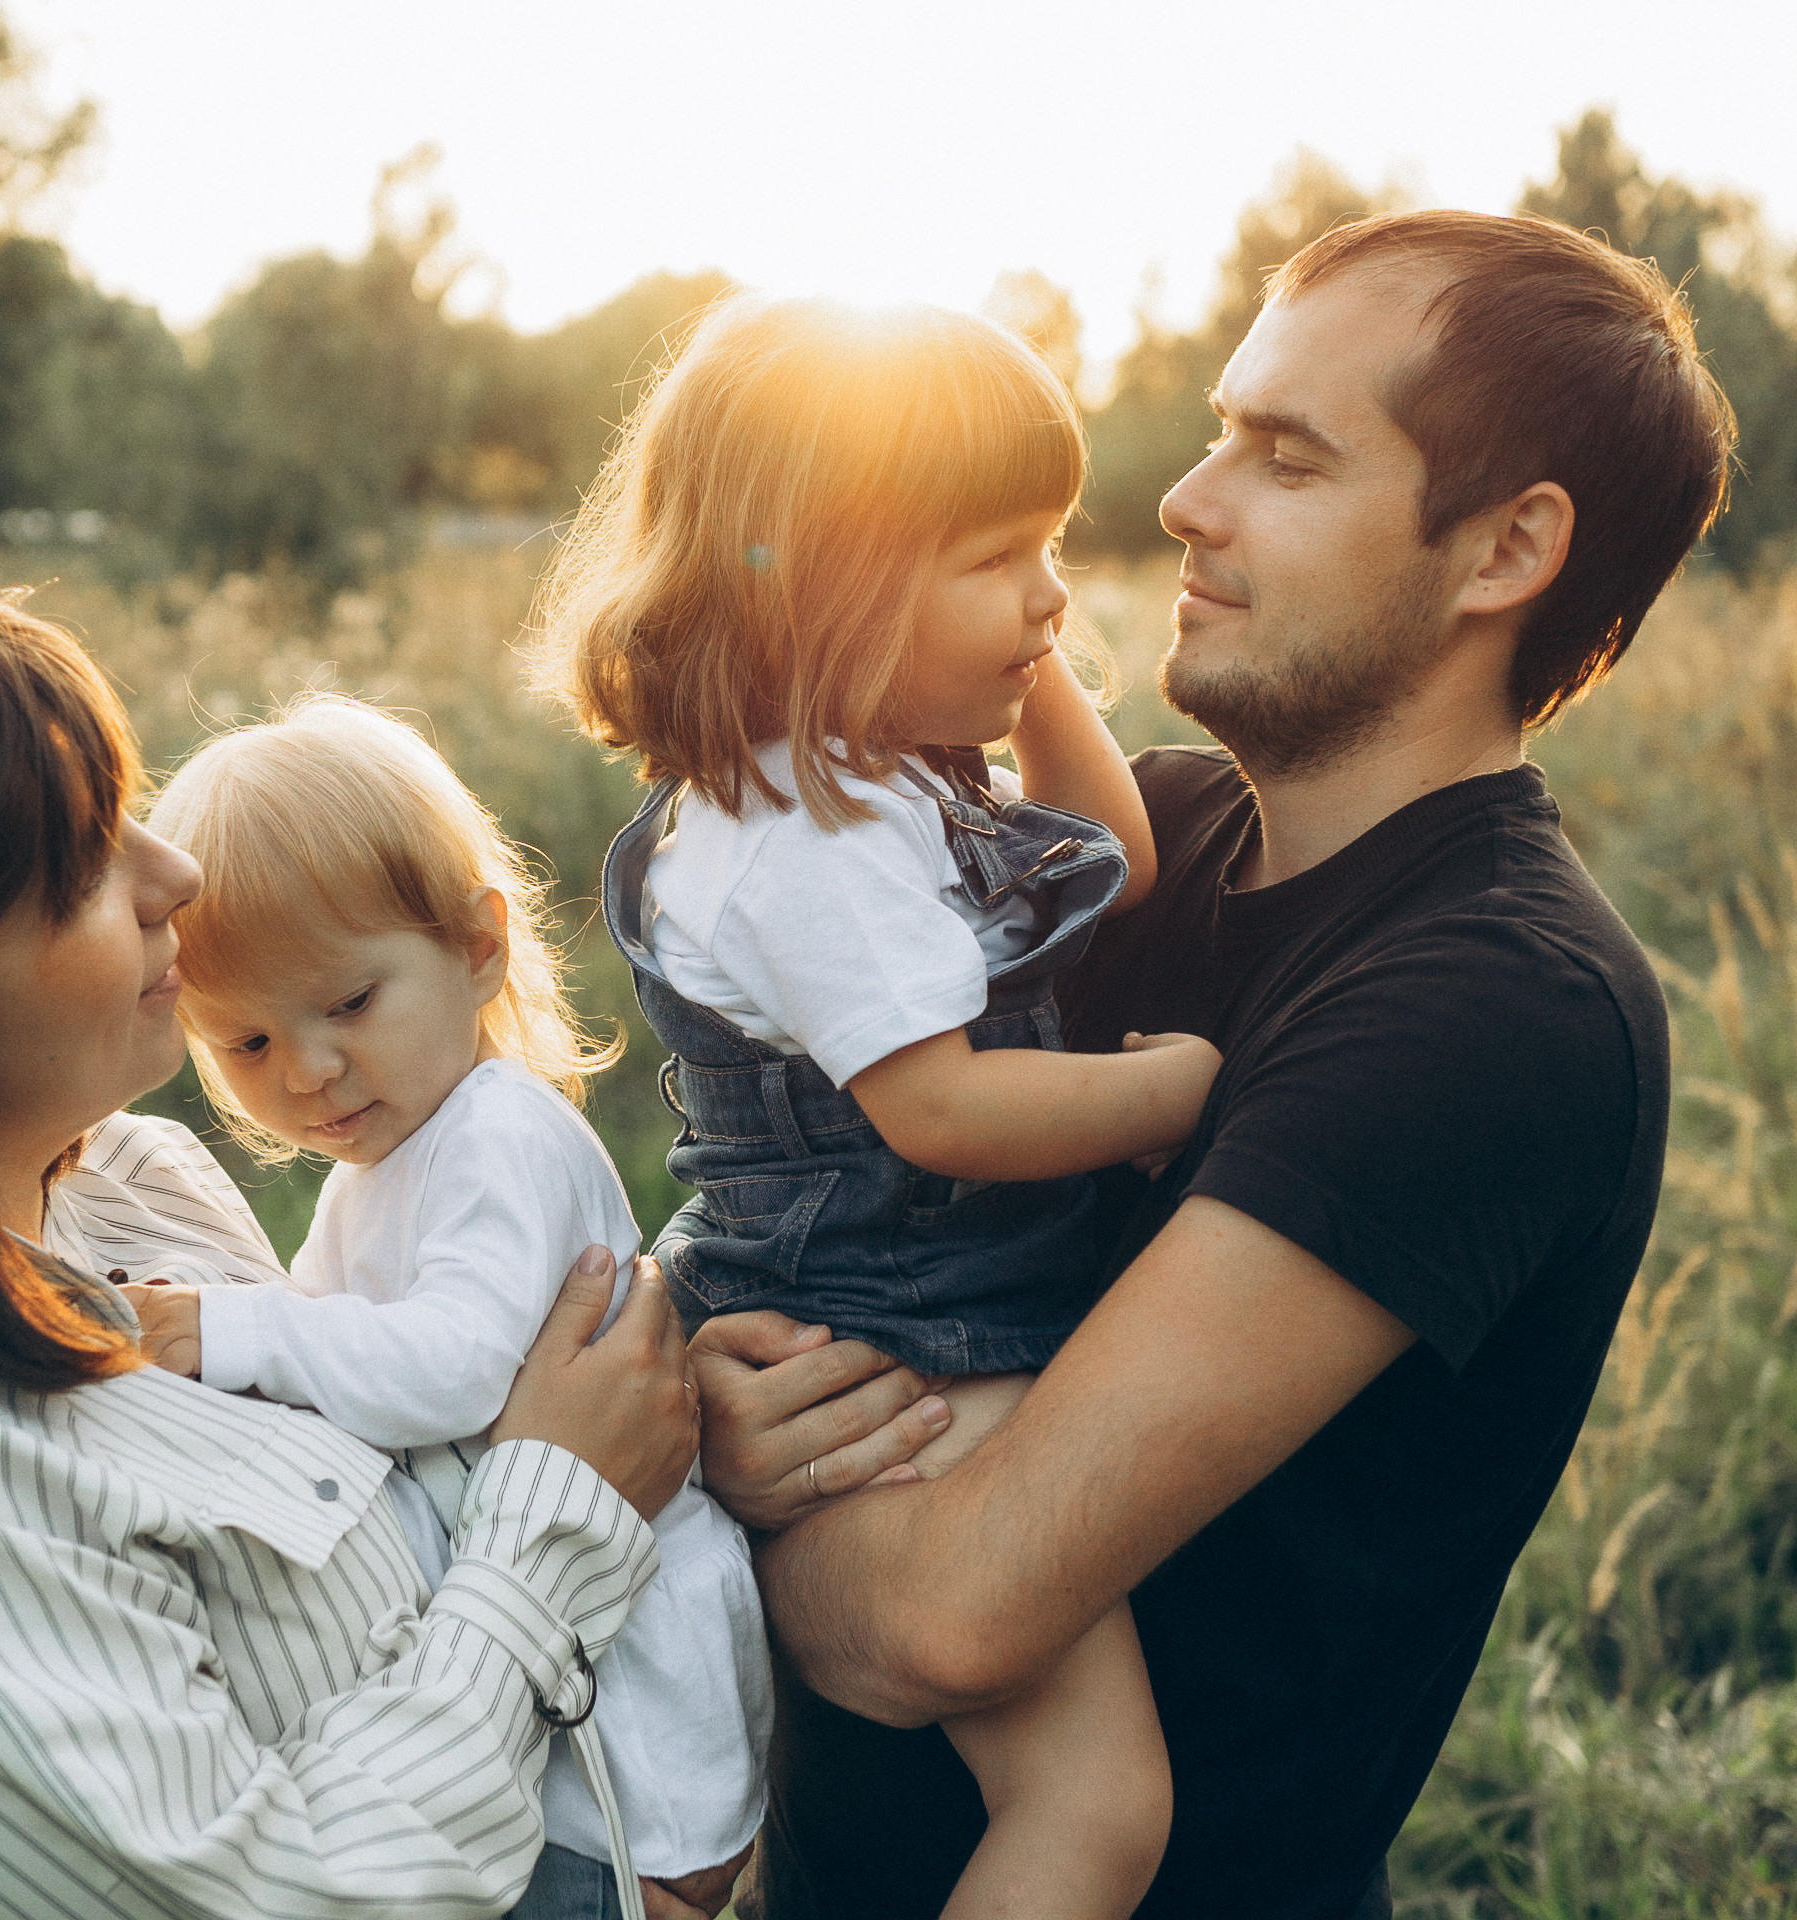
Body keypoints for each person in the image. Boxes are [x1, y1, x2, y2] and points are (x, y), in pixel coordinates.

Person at [687, 210, 1737, 1919]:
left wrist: (716, 1486)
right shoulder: (1139, 840)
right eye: (1218, 428)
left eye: (1285, 456)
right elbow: (809, 1173)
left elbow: (958, 1610)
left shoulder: (1495, 1008)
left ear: (1504, 553)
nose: (1185, 499)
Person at [0, 584, 701, 1920]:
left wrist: (680, 1413)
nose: (177, 878)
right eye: (86, 860)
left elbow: (405, 1478)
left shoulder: (133, 1185)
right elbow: (276, 1897)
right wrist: (570, 1509)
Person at [535, 293, 1224, 1918]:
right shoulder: (806, 841)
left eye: (1052, 550)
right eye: (999, 557)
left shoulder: (873, 766)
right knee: (1098, 1803)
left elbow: (1109, 852)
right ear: (829, 582)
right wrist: (1165, 1092)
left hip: (903, 1293)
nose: (1050, 593)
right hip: (906, 1324)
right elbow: (945, 1116)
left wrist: (1031, 659)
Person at [69, 693, 770, 1920]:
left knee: (650, 1885)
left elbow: (445, 1369)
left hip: (642, 1658)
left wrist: (222, 1330)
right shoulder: (379, 1168)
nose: (310, 1070)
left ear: (479, 945)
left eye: (348, 1005)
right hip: (557, 1650)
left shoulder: (496, 1135)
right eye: (245, 1043)